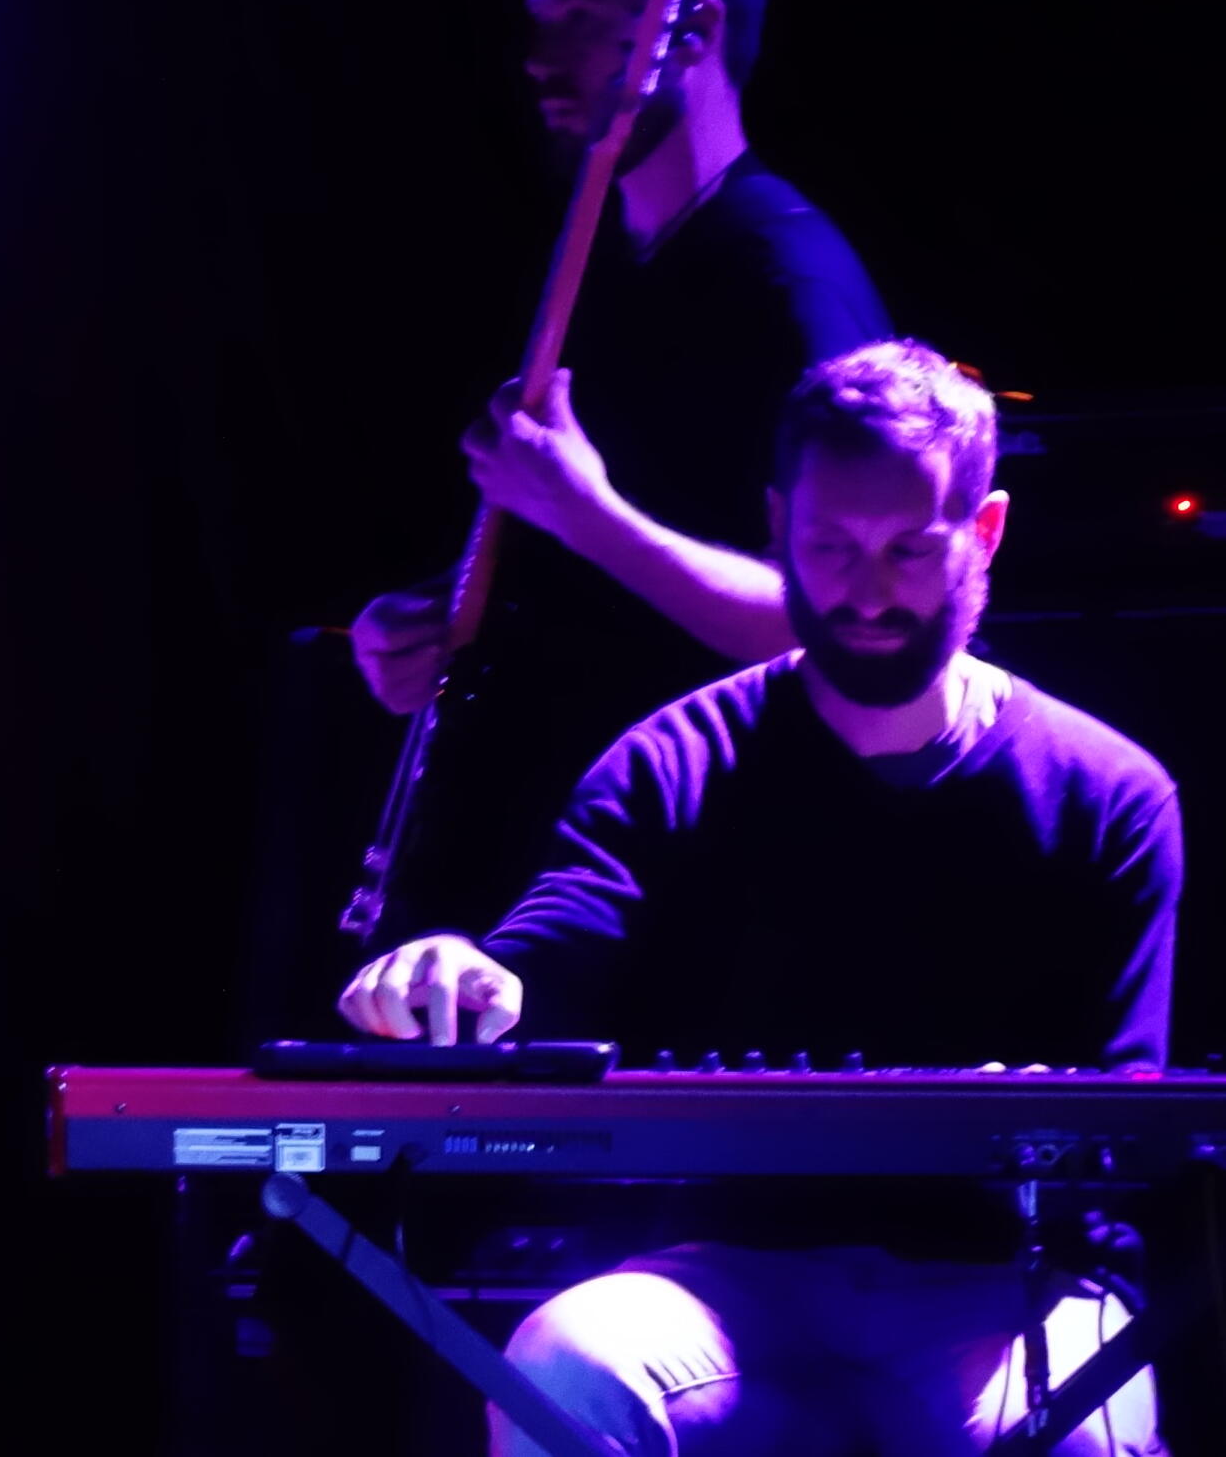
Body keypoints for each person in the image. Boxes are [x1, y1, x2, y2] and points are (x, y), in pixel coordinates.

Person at [338, 341, 1181, 1455]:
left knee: (1085, 1426)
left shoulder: (1105, 792)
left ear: (983, 533)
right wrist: (471, 969)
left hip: (996, 1285)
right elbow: (552, 953)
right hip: (721, 1278)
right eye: (829, 546)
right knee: (568, 1367)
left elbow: (1128, 1120)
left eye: (909, 549)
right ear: (777, 522)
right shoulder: (673, 760)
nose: (866, 592)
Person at [351, 0, 893, 934]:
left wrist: (580, 510)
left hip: (689, 878)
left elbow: (835, 619)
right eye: (537, 18)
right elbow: (591, 572)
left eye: (578, 19)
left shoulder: (789, 283)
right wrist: (426, 617)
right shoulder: (594, 259)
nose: (535, 58)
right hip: (546, 858)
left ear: (691, 29)